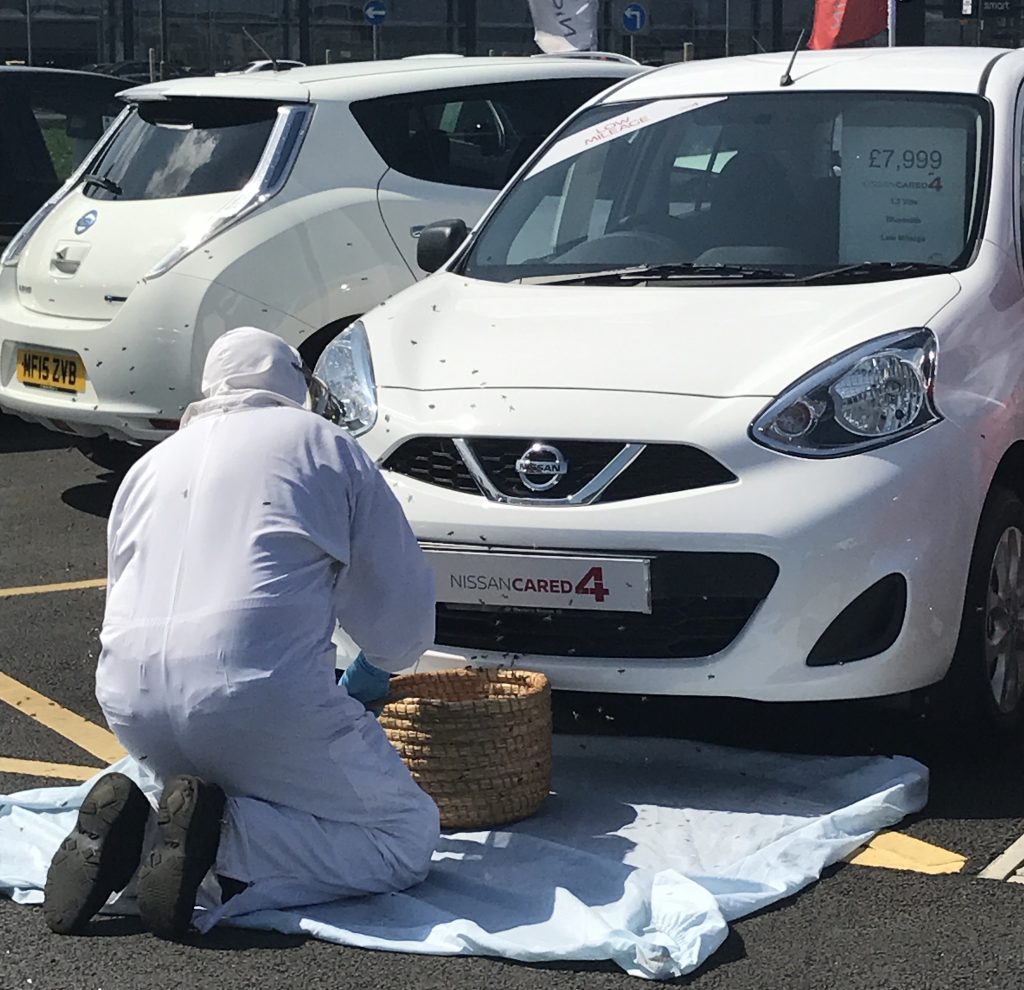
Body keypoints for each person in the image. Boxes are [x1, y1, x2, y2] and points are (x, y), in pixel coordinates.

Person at [42, 327, 440, 940]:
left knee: (232, 775)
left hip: (131, 706)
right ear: (293, 384)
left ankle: (146, 828)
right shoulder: (321, 443)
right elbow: (400, 606)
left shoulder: (146, 467)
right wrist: (378, 666)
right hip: (260, 699)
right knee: (403, 838)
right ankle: (211, 841)